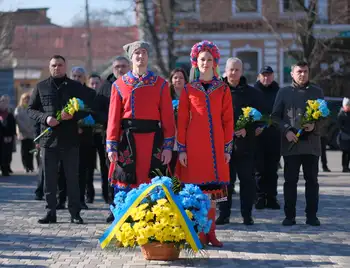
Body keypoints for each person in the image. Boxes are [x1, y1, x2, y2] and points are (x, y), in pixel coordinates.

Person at [176, 40, 234, 247]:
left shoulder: (223, 89)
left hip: (217, 146)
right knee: (196, 192)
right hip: (193, 146)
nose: (206, 63)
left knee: (212, 195)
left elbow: (228, 120)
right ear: (195, 62)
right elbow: (181, 121)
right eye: (202, 59)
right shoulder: (189, 89)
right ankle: (198, 233)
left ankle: (211, 232)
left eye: (209, 59)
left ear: (215, 62)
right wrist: (181, 149)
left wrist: (227, 148)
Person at [28, 55, 90, 224]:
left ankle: (75, 213)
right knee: (49, 179)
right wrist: (46, 118)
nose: (57, 68)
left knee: (72, 178)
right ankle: (50, 212)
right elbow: (31, 110)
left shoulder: (75, 86)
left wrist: (74, 115)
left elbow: (87, 108)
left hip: (70, 140)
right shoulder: (41, 87)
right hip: (48, 140)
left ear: (65, 67)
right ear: (49, 67)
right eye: (54, 65)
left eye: (60, 65)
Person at [107, 40, 175, 192]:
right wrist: (111, 146)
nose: (140, 56)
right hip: (128, 140)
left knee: (152, 182)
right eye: (137, 53)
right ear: (131, 57)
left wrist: (168, 147)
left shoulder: (161, 84)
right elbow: (113, 119)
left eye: (144, 53)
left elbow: (168, 119)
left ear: (148, 56)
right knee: (128, 181)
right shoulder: (119, 85)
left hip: (153, 140)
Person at [272, 61, 323, 226]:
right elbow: (275, 117)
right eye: (299, 71)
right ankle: (290, 216)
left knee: (312, 181)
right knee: (290, 181)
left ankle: (312, 216)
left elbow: (325, 116)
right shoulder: (284, 92)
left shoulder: (317, 91)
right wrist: (286, 130)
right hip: (291, 145)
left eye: (305, 71)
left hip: (311, 145)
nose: (302, 75)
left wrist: (315, 125)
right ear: (292, 74)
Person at [215, 57, 261, 226]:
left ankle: (247, 214)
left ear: (241, 72)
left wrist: (247, 129)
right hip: (223, 146)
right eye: (230, 70)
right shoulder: (217, 91)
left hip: (245, 146)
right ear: (225, 71)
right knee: (225, 182)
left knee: (247, 182)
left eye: (237, 70)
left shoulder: (252, 93)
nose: (233, 73)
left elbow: (260, 118)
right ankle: (224, 214)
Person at [95, 55, 131, 223]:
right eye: (117, 66)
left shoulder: (134, 84)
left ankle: (131, 207)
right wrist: (112, 121)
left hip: (132, 137)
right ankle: (113, 208)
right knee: (111, 174)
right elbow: (98, 111)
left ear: (129, 67)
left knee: (130, 173)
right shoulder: (106, 87)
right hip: (111, 138)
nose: (120, 69)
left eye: (123, 66)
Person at [253, 66, 281, 210]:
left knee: (272, 169)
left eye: (269, 75)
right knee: (259, 170)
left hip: (274, 136)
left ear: (273, 76)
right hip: (258, 137)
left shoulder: (278, 91)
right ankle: (259, 197)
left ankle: (272, 197)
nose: (266, 78)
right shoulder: (253, 91)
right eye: (264, 75)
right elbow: (248, 112)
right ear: (259, 76)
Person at [71, 66, 96, 209]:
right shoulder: (66, 91)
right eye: (74, 76)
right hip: (68, 137)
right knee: (66, 170)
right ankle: (63, 199)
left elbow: (92, 112)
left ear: (84, 78)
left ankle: (81, 199)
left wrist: (83, 122)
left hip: (85, 137)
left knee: (83, 170)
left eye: (79, 76)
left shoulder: (90, 93)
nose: (76, 78)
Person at [168, 68, 188, 174]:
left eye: (181, 77)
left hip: (187, 137)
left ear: (185, 80)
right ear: (171, 80)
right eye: (175, 77)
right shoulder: (166, 97)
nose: (178, 80)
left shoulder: (191, 97)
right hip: (171, 138)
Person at [15, 92, 36, 173]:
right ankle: (25, 166)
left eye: (28, 99)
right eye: (25, 99)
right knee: (24, 151)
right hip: (23, 133)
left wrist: (31, 128)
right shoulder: (18, 109)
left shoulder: (31, 108)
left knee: (32, 150)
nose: (26, 100)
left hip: (31, 133)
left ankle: (31, 166)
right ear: (22, 100)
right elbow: (18, 121)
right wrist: (25, 129)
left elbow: (34, 119)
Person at [0, 95, 16, 176]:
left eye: (6, 102)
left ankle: (5, 169)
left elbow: (13, 125)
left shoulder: (9, 113)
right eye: (3, 101)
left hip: (8, 137)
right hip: (0, 137)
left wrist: (11, 136)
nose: (4, 103)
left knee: (7, 154)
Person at [337, 97, 350, 172]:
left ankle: (347, 166)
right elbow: (339, 126)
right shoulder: (341, 114)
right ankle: (344, 167)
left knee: (349, 152)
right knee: (345, 152)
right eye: (347, 105)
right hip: (344, 136)